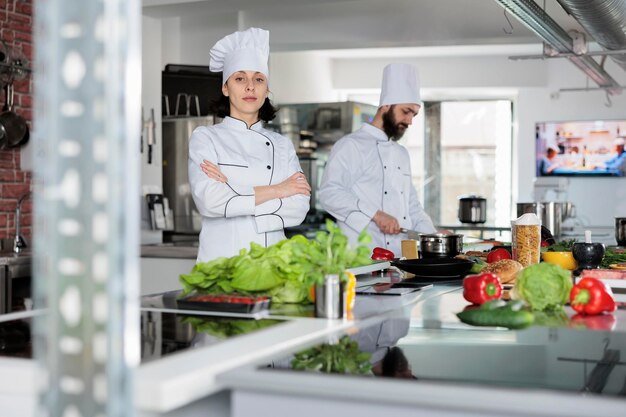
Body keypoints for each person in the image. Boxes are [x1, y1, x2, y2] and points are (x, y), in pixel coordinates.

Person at [188, 27, 310, 262]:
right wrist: (279, 190)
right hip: (223, 264)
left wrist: (232, 193)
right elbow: (210, 202)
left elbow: (298, 209)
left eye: (259, 79)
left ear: (266, 89)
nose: (250, 86)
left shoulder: (282, 145)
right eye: (240, 78)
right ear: (226, 87)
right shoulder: (205, 138)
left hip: (274, 264)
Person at [319, 63, 436, 255]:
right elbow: (329, 193)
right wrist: (375, 215)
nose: (410, 121)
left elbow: (412, 207)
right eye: (406, 111)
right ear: (386, 105)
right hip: (362, 257)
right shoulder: (351, 145)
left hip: (399, 258)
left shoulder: (401, 154)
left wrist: (434, 236)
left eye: (414, 114)